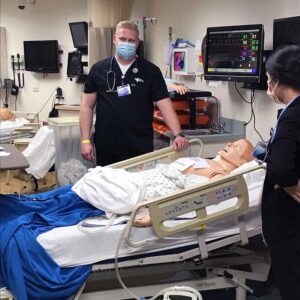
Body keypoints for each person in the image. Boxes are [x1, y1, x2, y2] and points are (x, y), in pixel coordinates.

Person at [80, 21, 189, 166]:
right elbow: (86, 107)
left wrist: (178, 134)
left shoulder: (151, 72)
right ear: (114, 39)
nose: (127, 43)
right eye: (123, 39)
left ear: (138, 43)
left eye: (131, 40)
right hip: (107, 147)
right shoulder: (98, 69)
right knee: (109, 187)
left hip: (140, 148)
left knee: (139, 187)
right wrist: (85, 140)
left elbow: (165, 105)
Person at [261, 45, 300, 300]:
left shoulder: (291, 116)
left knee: (293, 284)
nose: (267, 84)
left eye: (267, 78)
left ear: (276, 80)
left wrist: (286, 182)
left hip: (289, 222)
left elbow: (281, 166)